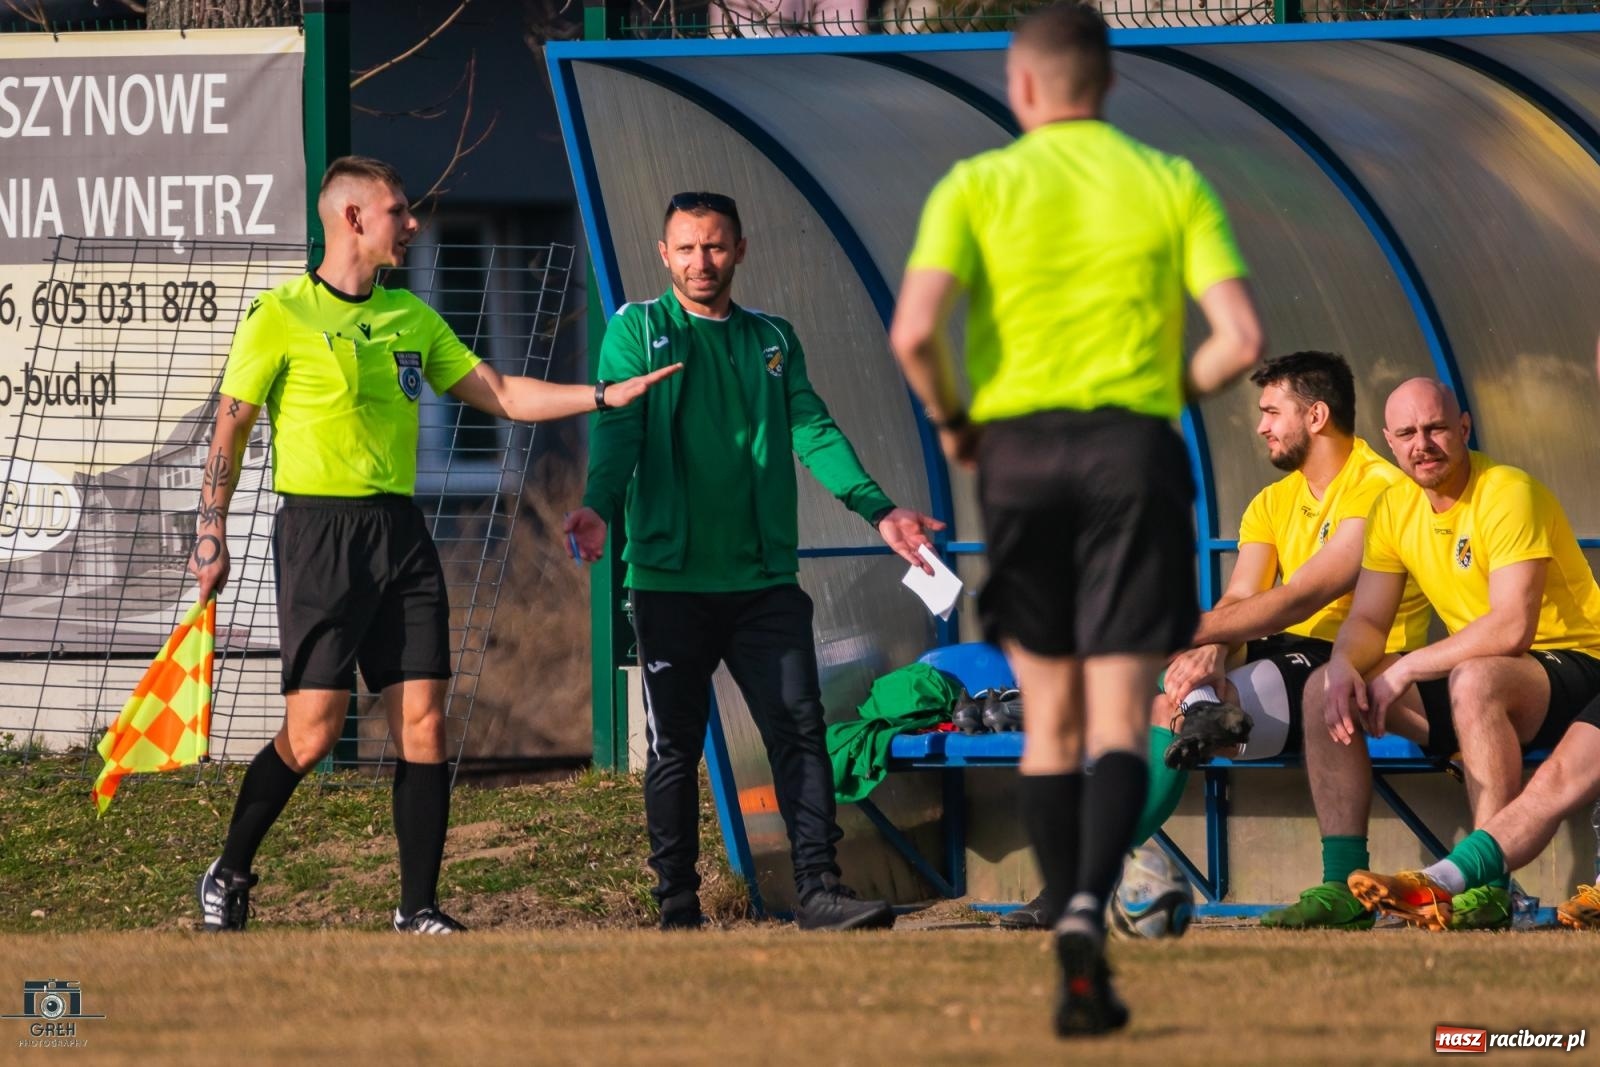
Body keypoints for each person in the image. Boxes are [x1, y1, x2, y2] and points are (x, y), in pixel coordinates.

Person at [888, 2, 1262, 1037]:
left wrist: (961, 426)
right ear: (1106, 85)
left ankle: (1069, 922)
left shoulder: (976, 183)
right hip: (1131, 458)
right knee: (1114, 719)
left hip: (1018, 457)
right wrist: (1157, 391)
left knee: (1045, 718)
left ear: (1020, 88)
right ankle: (1091, 917)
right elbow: (1240, 336)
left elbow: (914, 331)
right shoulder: (1168, 180)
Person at [188, 156, 679, 934]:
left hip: (401, 534)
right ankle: (231, 867)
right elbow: (232, 426)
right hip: (319, 534)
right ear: (353, 218)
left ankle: (418, 906)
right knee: (313, 732)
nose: (411, 223)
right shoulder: (278, 315)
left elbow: (505, 394)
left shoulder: (414, 319)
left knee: (424, 722)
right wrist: (209, 527)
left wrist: (601, 393)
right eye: (398, 210)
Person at [563, 190, 943, 933]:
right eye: (686, 247)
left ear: (740, 249)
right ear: (662, 254)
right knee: (673, 747)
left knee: (799, 730)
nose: (700, 261)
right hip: (670, 582)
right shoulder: (638, 330)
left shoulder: (773, 338)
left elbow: (813, 428)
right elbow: (619, 431)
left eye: (714, 246)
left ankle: (819, 890)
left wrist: (881, 509)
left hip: (765, 583)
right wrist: (599, 505)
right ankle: (677, 906)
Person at [999, 350, 1432, 930]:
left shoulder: (1381, 487)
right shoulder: (1272, 501)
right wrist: (1210, 648)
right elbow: (1239, 599)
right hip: (1279, 653)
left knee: (1163, 676)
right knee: (1166, 689)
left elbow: (1303, 596)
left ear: (1318, 415)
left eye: (1272, 412)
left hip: (1353, 660)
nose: (1261, 426)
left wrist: (1189, 634)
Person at [1270, 378, 1600, 931]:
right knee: (1323, 685)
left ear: (1464, 429)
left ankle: (1488, 890)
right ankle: (1345, 885)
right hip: (1487, 677)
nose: (1422, 443)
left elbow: (1513, 627)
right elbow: (1369, 620)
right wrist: (1349, 668)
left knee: (1475, 679)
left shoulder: (1507, 490)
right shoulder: (1394, 507)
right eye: (1407, 433)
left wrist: (1404, 668)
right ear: (1388, 442)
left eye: (1436, 428)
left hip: (1577, 669)